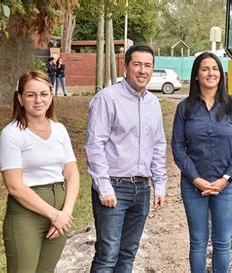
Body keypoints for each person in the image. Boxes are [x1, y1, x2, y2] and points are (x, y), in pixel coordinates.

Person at [85, 45, 167, 272]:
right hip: (114, 187)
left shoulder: (154, 103)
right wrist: (104, 187)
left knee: (128, 254)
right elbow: (94, 145)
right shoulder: (107, 99)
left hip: (142, 190)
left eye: (148, 65)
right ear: (126, 66)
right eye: (137, 64)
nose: (143, 70)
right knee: (107, 255)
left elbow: (158, 145)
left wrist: (159, 185)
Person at [171, 52, 232, 273]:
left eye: (214, 68)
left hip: (227, 186)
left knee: (223, 243)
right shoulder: (184, 108)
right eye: (205, 69)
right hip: (193, 185)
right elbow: (178, 147)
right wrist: (196, 179)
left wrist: (225, 179)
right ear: (196, 75)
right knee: (198, 242)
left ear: (221, 75)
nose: (210, 73)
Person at [0, 70, 80, 273]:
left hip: (61, 210)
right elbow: (14, 185)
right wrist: (53, 215)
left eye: (44, 94)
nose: (38, 100)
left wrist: (65, 213)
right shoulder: (12, 134)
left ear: (51, 96)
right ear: (20, 98)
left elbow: (72, 173)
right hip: (27, 214)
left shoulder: (59, 129)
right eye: (31, 95)